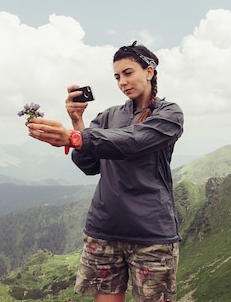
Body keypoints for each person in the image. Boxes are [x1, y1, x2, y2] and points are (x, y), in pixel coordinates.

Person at [26, 41, 184, 302]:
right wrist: (77, 122)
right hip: (104, 230)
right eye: (117, 76)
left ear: (149, 71)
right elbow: (89, 165)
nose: (122, 82)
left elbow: (134, 141)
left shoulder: (169, 114)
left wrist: (75, 138)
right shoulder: (108, 116)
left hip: (151, 235)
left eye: (128, 73)